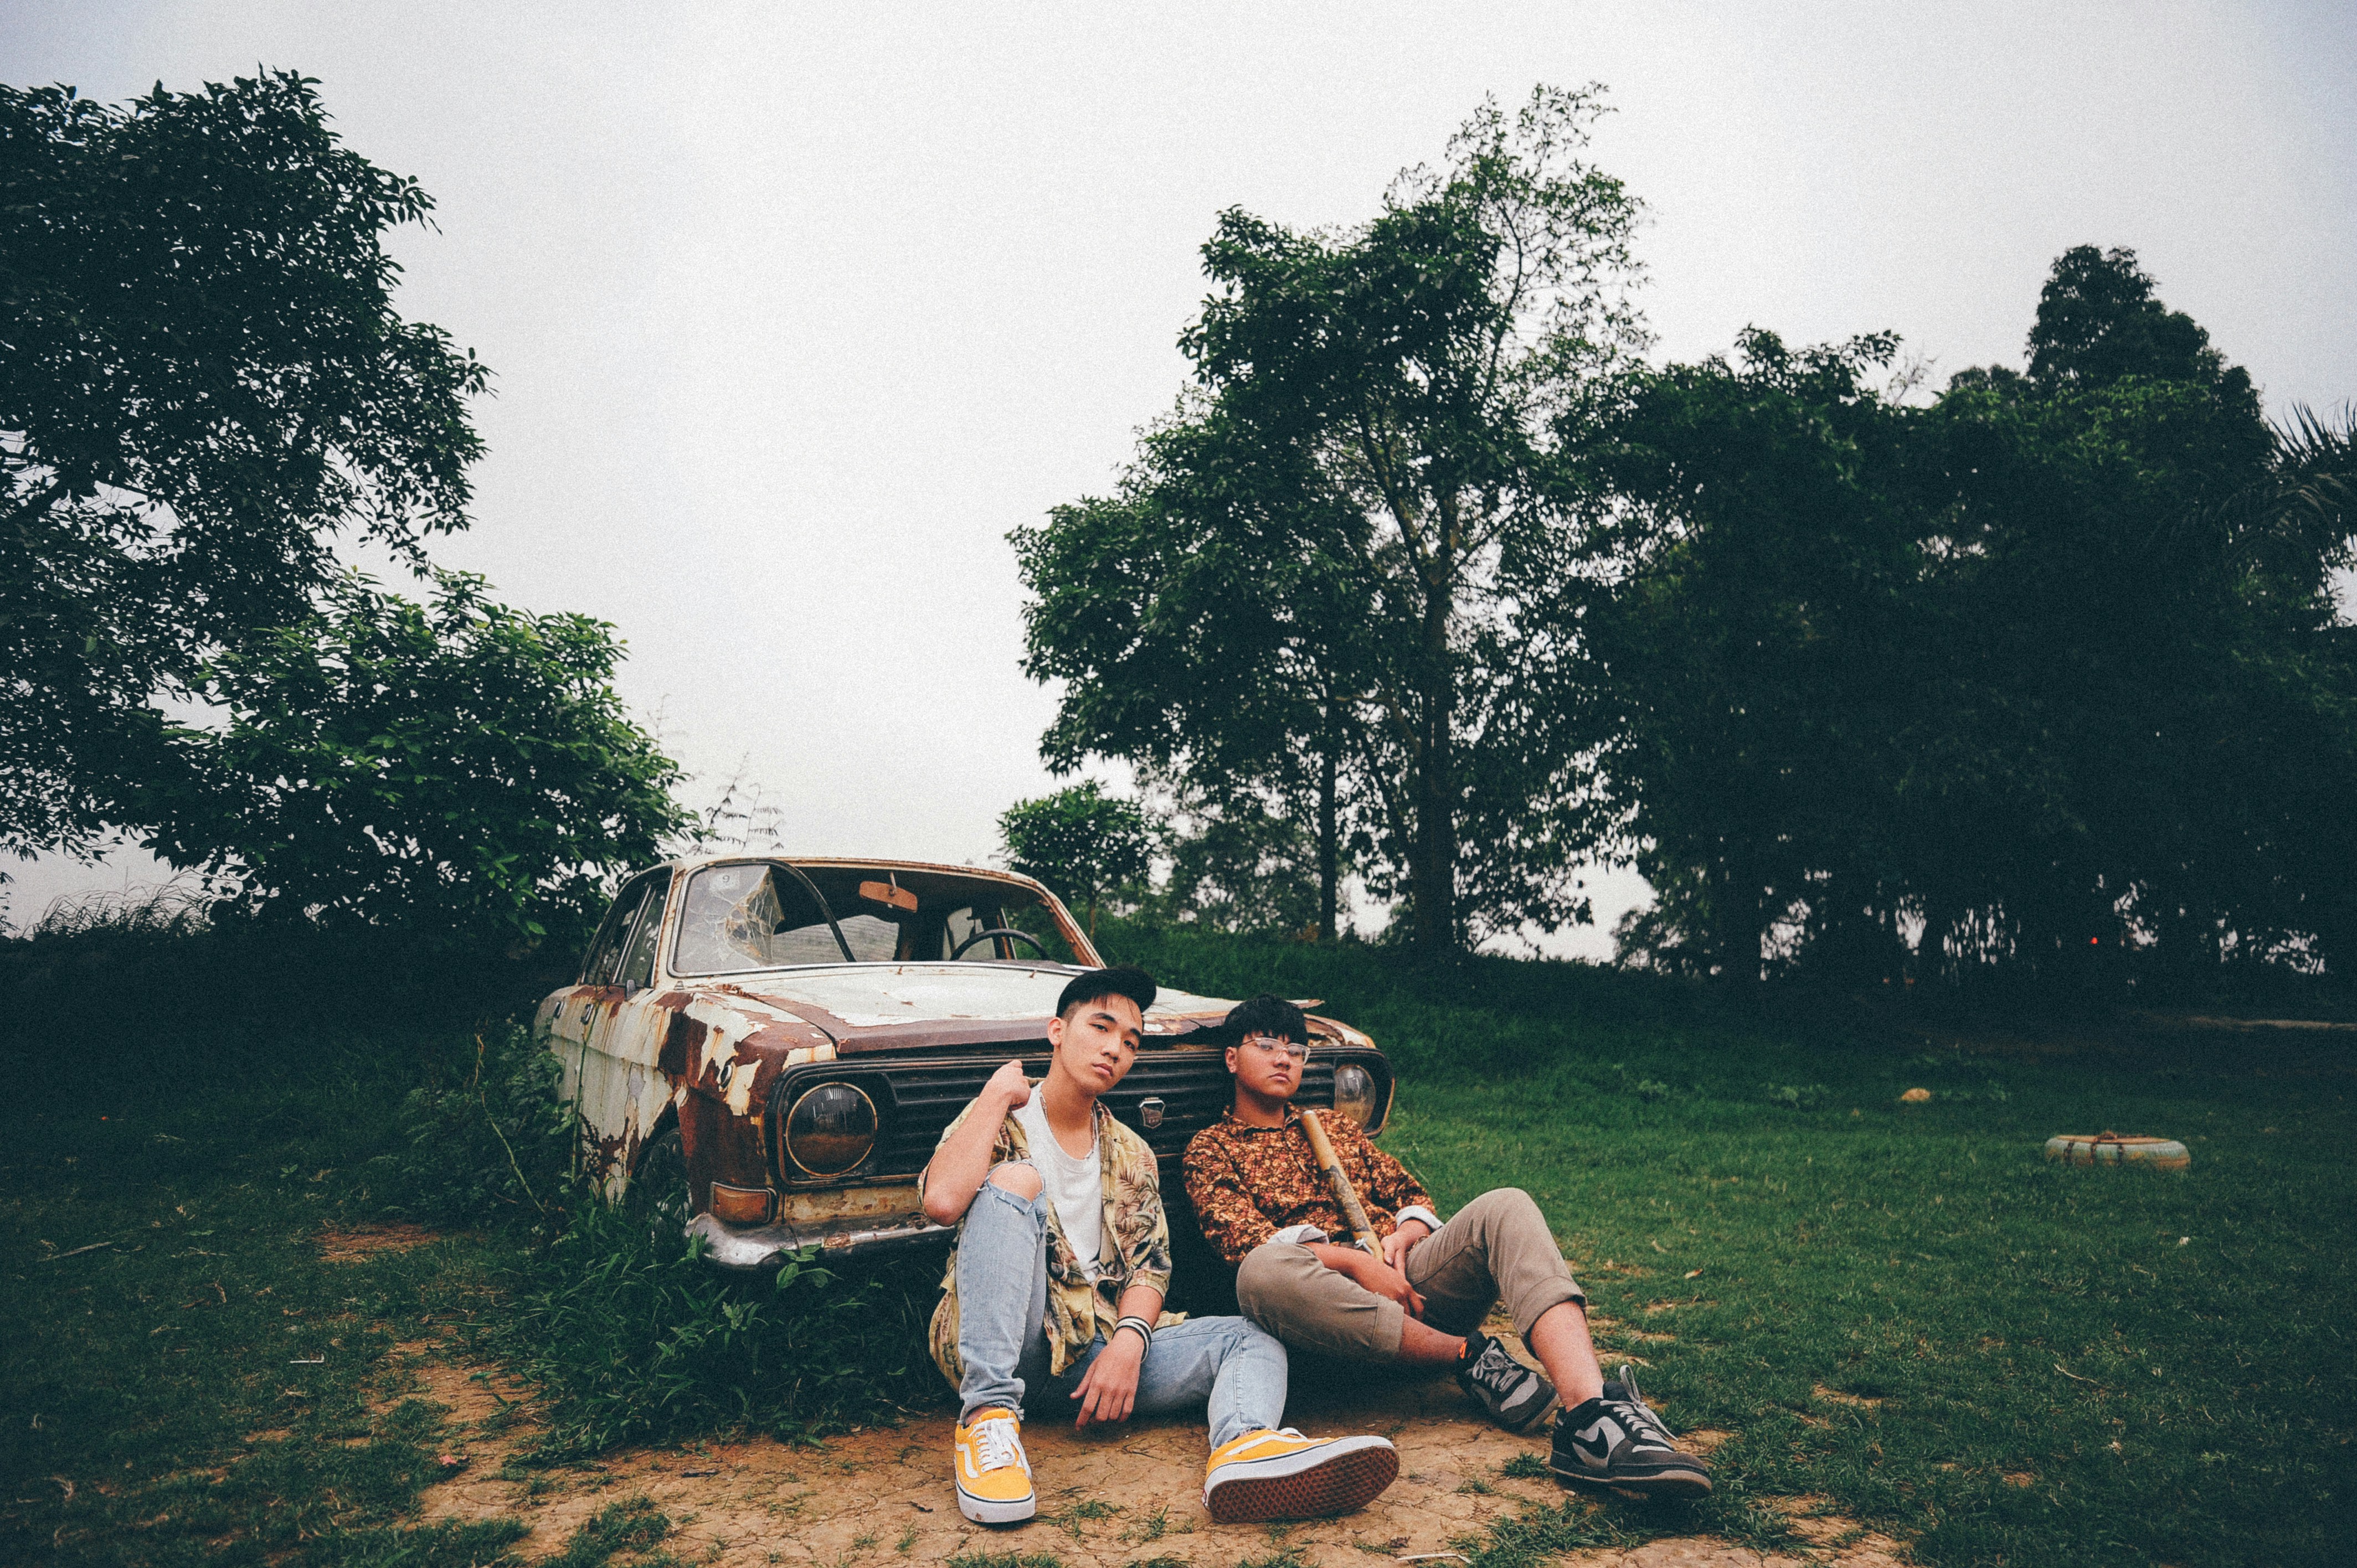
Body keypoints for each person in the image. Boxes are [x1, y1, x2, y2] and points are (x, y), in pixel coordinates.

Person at [1181, 994, 1713, 1500]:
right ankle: (1466, 1356)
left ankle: (1588, 1418)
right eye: (1267, 1045)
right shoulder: (1210, 1149)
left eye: (1296, 1051)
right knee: (1260, 1271)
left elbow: (1411, 1197)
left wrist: (1404, 1236)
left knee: (1506, 1203)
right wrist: (1357, 1266)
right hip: (1323, 1327)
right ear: (1231, 1058)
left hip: (1410, 1290)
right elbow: (1243, 1243)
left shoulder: (1335, 1130)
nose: (1284, 1059)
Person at [919, 966, 1399, 1526]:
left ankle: (1244, 1448)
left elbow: (1148, 1267)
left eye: (1129, 1042)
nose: (1114, 1050)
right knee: (1013, 1181)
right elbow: (943, 1202)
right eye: (1100, 1028)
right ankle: (988, 1422)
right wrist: (997, 1092)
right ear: (1056, 1030)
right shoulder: (1003, 1118)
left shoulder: (1130, 1152)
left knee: (1247, 1336)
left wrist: (1127, 1344)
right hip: (1007, 1345)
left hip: (1091, 1362)